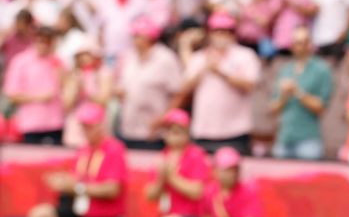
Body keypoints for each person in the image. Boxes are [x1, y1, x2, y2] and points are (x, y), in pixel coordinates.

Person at [25, 102, 145, 217]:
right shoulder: (84, 151)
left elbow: (112, 189)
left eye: (90, 126)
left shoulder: (114, 149)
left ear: (101, 125)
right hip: (79, 213)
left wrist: (77, 187)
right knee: (40, 216)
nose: (86, 131)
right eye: (83, 126)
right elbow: (78, 180)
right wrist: (63, 183)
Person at [177, 12, 262, 154]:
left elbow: (250, 85)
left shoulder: (245, 56)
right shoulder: (200, 57)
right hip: (203, 130)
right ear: (209, 33)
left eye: (226, 31)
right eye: (217, 31)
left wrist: (221, 71)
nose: (221, 35)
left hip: (235, 131)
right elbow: (184, 87)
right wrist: (204, 68)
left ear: (232, 34)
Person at [114, 17, 183, 150]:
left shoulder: (166, 59)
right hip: (128, 128)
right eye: (133, 36)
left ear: (150, 37)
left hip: (154, 132)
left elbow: (178, 94)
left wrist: (164, 119)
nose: (134, 39)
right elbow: (121, 85)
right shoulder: (128, 56)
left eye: (138, 36)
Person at [269, 26, 333, 160]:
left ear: (310, 44)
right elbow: (273, 108)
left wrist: (297, 92)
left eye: (303, 42)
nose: (299, 47)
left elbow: (321, 107)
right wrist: (284, 96)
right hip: (284, 138)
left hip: (308, 139)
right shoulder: (285, 70)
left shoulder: (321, 70)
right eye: (296, 43)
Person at [3, 25, 65, 145]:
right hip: (31, 125)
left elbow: (65, 91)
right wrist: (39, 97)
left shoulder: (58, 62)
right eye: (41, 41)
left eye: (48, 41)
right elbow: (11, 94)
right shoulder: (20, 61)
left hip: (55, 123)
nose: (44, 45)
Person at [61, 36, 113, 148]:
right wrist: (74, 89)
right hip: (77, 124)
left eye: (87, 54)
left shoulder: (104, 73)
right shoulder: (74, 75)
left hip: (97, 124)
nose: (84, 58)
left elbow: (104, 100)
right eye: (81, 55)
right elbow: (67, 105)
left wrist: (86, 91)